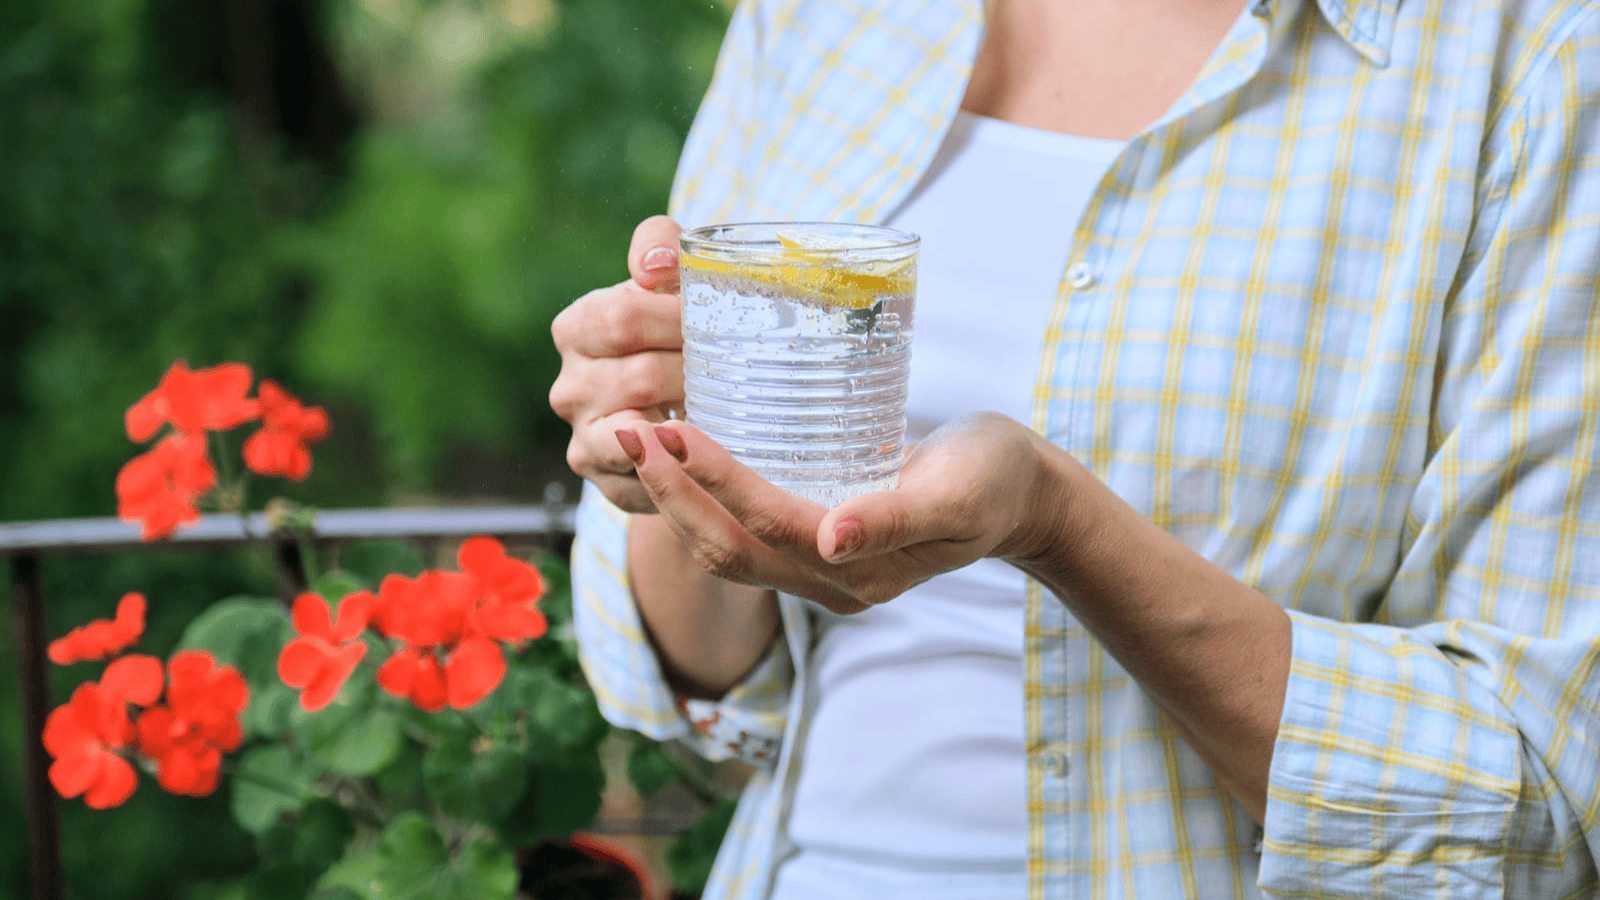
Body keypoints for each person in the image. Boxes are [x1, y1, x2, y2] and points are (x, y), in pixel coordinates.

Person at [547, 0, 1600, 896]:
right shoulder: (820, 16)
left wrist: (1059, 526)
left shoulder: (1528, 55)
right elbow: (696, 689)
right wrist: (661, 444)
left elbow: (1540, 797)